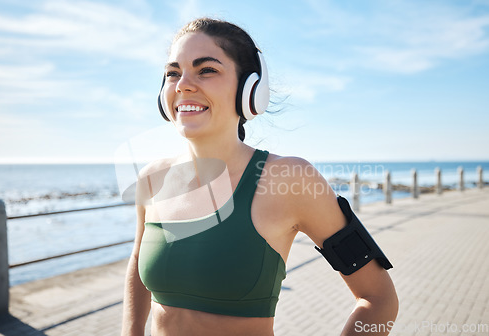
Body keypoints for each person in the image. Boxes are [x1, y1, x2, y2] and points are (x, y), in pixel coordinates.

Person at [121, 18, 398, 336]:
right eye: (173, 73)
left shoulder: (290, 178)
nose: (183, 84)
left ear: (249, 89)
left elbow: (379, 299)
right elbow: (138, 261)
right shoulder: (153, 179)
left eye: (206, 70)